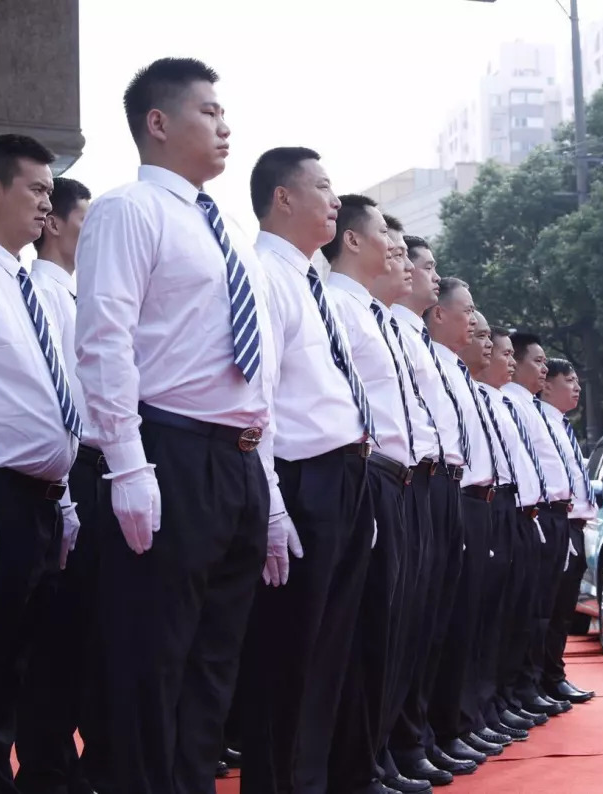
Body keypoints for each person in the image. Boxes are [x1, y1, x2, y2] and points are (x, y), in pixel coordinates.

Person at [75, 58, 294, 794]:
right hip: (169, 451)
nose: (225, 126)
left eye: (224, 113)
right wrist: (127, 465)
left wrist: (268, 494)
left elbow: (258, 375)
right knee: (153, 659)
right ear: (158, 122)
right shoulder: (128, 210)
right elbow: (104, 340)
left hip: (237, 460)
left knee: (214, 663)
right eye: (209, 111)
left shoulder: (225, 231)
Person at [235, 147, 375, 794]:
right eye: (322, 186)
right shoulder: (263, 274)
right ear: (283, 198)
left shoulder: (311, 280)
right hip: (300, 480)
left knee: (329, 653)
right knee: (288, 653)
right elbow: (255, 397)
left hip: (344, 477)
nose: (335, 200)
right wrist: (271, 504)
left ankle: (311, 780)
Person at [0, 133, 80, 793]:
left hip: (42, 502)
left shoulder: (28, 286)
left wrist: (66, 499)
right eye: (36, 189)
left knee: (23, 666)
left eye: (51, 192)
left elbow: (56, 399)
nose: (46, 204)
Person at [17, 176, 113, 794]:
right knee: (53, 632)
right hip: (67, 470)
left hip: (95, 470)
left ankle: (73, 762)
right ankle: (48, 768)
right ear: (53, 223)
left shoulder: (80, 295)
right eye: (86, 220)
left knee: (86, 629)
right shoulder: (40, 294)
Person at [321, 194, 413, 794]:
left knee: (389, 627)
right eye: (385, 234)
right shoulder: (336, 304)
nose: (394, 249)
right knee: (358, 632)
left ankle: (373, 757)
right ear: (353, 240)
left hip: (394, 477)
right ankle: (352, 766)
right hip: (364, 472)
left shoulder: (373, 315)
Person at [388, 237, 471, 787]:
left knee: (431, 624)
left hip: (441, 483)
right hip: (405, 478)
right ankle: (394, 745)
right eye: (425, 265)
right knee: (400, 627)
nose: (432, 276)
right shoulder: (387, 326)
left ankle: (417, 738)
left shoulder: (419, 339)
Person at [368, 215, 438, 794]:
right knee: (377, 631)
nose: (418, 272)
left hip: (419, 480)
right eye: (405, 257)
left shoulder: (403, 332)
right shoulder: (352, 312)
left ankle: (403, 743)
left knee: (415, 625)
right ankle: (373, 753)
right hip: (376, 476)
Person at [424, 278, 502, 769]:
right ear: (439, 314)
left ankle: (457, 722)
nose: (477, 328)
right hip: (439, 488)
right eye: (469, 313)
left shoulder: (458, 374)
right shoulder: (427, 358)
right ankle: (430, 732)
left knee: (467, 622)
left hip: (471, 498)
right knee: (436, 625)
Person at [473, 320, 546, 737]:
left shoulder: (505, 402)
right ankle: (474, 713)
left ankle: (500, 702)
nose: (508, 361)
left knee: (512, 616)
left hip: (516, 509)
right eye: (504, 353)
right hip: (487, 505)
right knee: (483, 620)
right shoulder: (484, 396)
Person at [502, 332, 573, 717]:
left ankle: (530, 685)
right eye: (538, 361)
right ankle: (518, 690)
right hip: (529, 512)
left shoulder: (533, 408)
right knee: (525, 610)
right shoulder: (511, 403)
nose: (544, 368)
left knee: (543, 608)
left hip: (551, 513)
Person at [459, 315, 519, 750]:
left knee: (494, 618)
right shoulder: (464, 386)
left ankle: (484, 709)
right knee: (464, 621)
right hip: (462, 498)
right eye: (480, 335)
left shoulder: (499, 400)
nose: (482, 343)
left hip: (498, 504)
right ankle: (458, 720)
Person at [538, 358, 597, 704]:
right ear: (547, 385)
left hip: (574, 523)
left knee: (563, 608)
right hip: (554, 519)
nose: (577, 388)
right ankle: (544, 678)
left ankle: (553, 674)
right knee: (548, 608)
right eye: (570, 381)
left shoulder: (561, 425)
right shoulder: (537, 421)